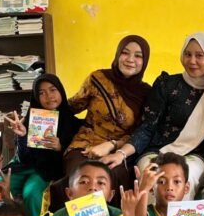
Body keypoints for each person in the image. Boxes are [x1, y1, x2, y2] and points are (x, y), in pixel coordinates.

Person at [109, 33, 204, 200]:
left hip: (195, 155)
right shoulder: (168, 85)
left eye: (199, 56)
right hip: (159, 150)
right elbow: (147, 127)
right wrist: (121, 153)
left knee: (185, 176)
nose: (192, 61)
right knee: (153, 173)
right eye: (188, 54)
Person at [64, 35, 152, 187]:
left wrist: (112, 145)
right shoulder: (98, 79)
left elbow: (141, 133)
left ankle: (115, 212)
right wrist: (31, 120)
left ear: (144, 62)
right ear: (118, 55)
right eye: (125, 53)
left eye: (138, 56)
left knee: (112, 177)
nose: (130, 59)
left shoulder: (147, 93)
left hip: (120, 150)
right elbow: (70, 107)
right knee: (81, 177)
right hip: (85, 145)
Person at [4, 74, 84, 216]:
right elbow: (23, 157)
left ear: (61, 91)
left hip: (47, 170)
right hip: (23, 166)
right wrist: (22, 136)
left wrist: (61, 147)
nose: (48, 96)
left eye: (53, 90)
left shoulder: (74, 124)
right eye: (42, 93)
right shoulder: (29, 120)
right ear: (36, 97)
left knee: (32, 193)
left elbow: (76, 154)